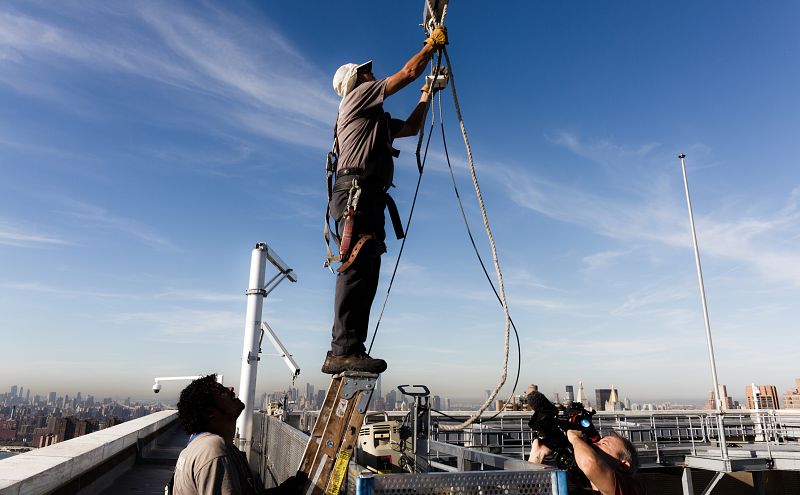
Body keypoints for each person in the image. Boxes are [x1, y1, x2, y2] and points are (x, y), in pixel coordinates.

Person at [321, 26, 449, 375]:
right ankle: (342, 349)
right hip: (356, 194)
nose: (371, 73)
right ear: (356, 81)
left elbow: (409, 129)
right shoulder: (356, 98)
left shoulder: (372, 119)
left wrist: (425, 95)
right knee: (356, 269)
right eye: (366, 72)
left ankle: (351, 349)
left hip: (368, 197)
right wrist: (428, 47)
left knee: (367, 273)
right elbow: (407, 73)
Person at [172, 375, 303, 495]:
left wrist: (283, 491)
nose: (231, 389)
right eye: (221, 392)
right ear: (210, 413)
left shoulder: (200, 446)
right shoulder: (214, 451)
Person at [529, 430, 644, 495]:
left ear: (623, 464)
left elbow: (589, 463)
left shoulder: (630, 488)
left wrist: (575, 439)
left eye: (603, 444)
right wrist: (537, 456)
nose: (595, 444)